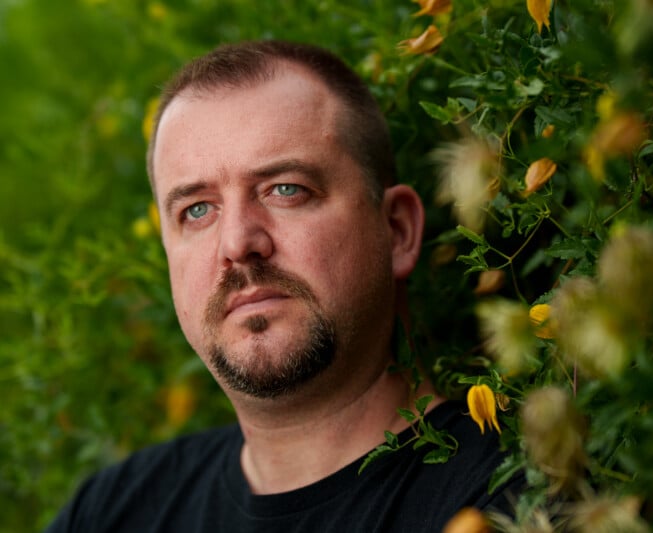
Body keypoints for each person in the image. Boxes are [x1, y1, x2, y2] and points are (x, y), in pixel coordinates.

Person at [46, 40, 521, 532]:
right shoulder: (110, 513)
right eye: (197, 210)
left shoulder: (510, 503)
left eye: (286, 189)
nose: (237, 242)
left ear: (397, 231)